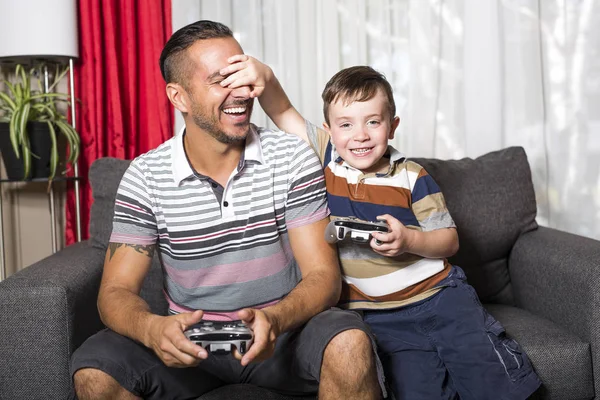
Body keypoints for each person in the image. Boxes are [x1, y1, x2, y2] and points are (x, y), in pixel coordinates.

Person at [70, 20, 387, 400]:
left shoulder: (290, 156)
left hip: (283, 334)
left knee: (350, 342)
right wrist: (152, 330)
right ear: (179, 97)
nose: (240, 91)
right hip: (191, 347)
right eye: (221, 80)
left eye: (241, 75)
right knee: (94, 370)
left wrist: (275, 319)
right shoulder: (145, 176)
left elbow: (323, 275)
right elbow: (116, 291)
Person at [219, 56, 542, 399]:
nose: (360, 135)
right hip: (378, 318)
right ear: (328, 131)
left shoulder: (412, 176)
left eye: (373, 122)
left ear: (393, 125)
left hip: (441, 300)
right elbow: (283, 112)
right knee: (418, 390)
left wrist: (409, 239)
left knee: (490, 380)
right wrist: (265, 78)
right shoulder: (328, 159)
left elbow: (448, 240)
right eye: (346, 125)